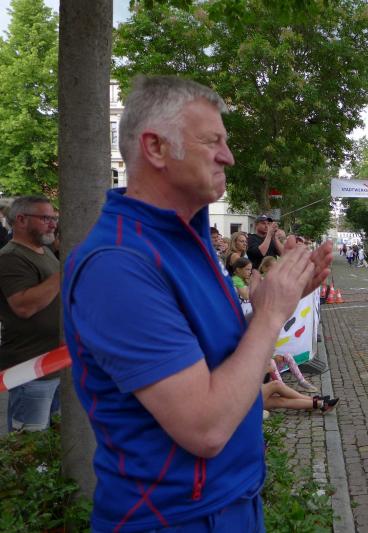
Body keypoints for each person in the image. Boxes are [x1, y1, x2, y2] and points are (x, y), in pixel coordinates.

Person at [61, 76, 334, 531]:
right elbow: (205, 428)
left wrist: (277, 301)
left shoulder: (185, 240)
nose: (228, 156)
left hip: (230, 502)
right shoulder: (118, 264)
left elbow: (217, 356)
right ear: (155, 148)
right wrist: (270, 315)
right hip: (174, 518)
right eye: (212, 142)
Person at [0, 196, 61, 432]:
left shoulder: (44, 251)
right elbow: (24, 307)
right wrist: (65, 271)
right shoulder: (11, 257)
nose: (53, 224)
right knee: (29, 442)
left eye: (54, 218)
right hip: (30, 368)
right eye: (45, 218)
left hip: (55, 362)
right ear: (21, 220)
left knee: (53, 440)